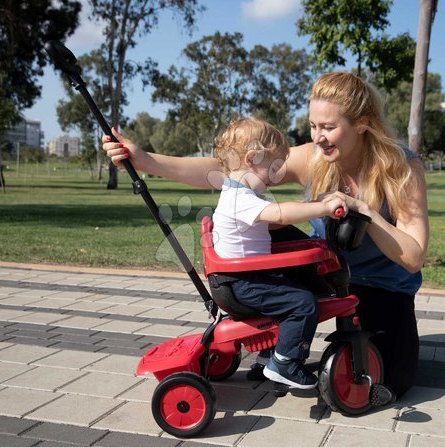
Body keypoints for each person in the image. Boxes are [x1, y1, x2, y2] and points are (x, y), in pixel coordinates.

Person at [102, 71, 429, 399]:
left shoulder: (401, 167)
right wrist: (145, 160)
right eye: (314, 126)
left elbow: (413, 257)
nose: (318, 137)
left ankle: (290, 333)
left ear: (362, 124)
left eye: (329, 127)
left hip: (382, 286)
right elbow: (227, 171)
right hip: (328, 271)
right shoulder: (311, 158)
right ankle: (274, 340)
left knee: (390, 381)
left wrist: (364, 211)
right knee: (266, 228)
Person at [210, 116, 347, 388]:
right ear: (252, 159)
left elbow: (274, 218)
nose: (276, 176)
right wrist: (322, 208)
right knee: (303, 303)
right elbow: (281, 214)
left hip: (239, 280)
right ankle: (284, 362)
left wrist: (311, 204)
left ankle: (266, 355)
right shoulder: (241, 199)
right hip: (244, 284)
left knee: (289, 288)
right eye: (273, 167)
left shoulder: (234, 194)